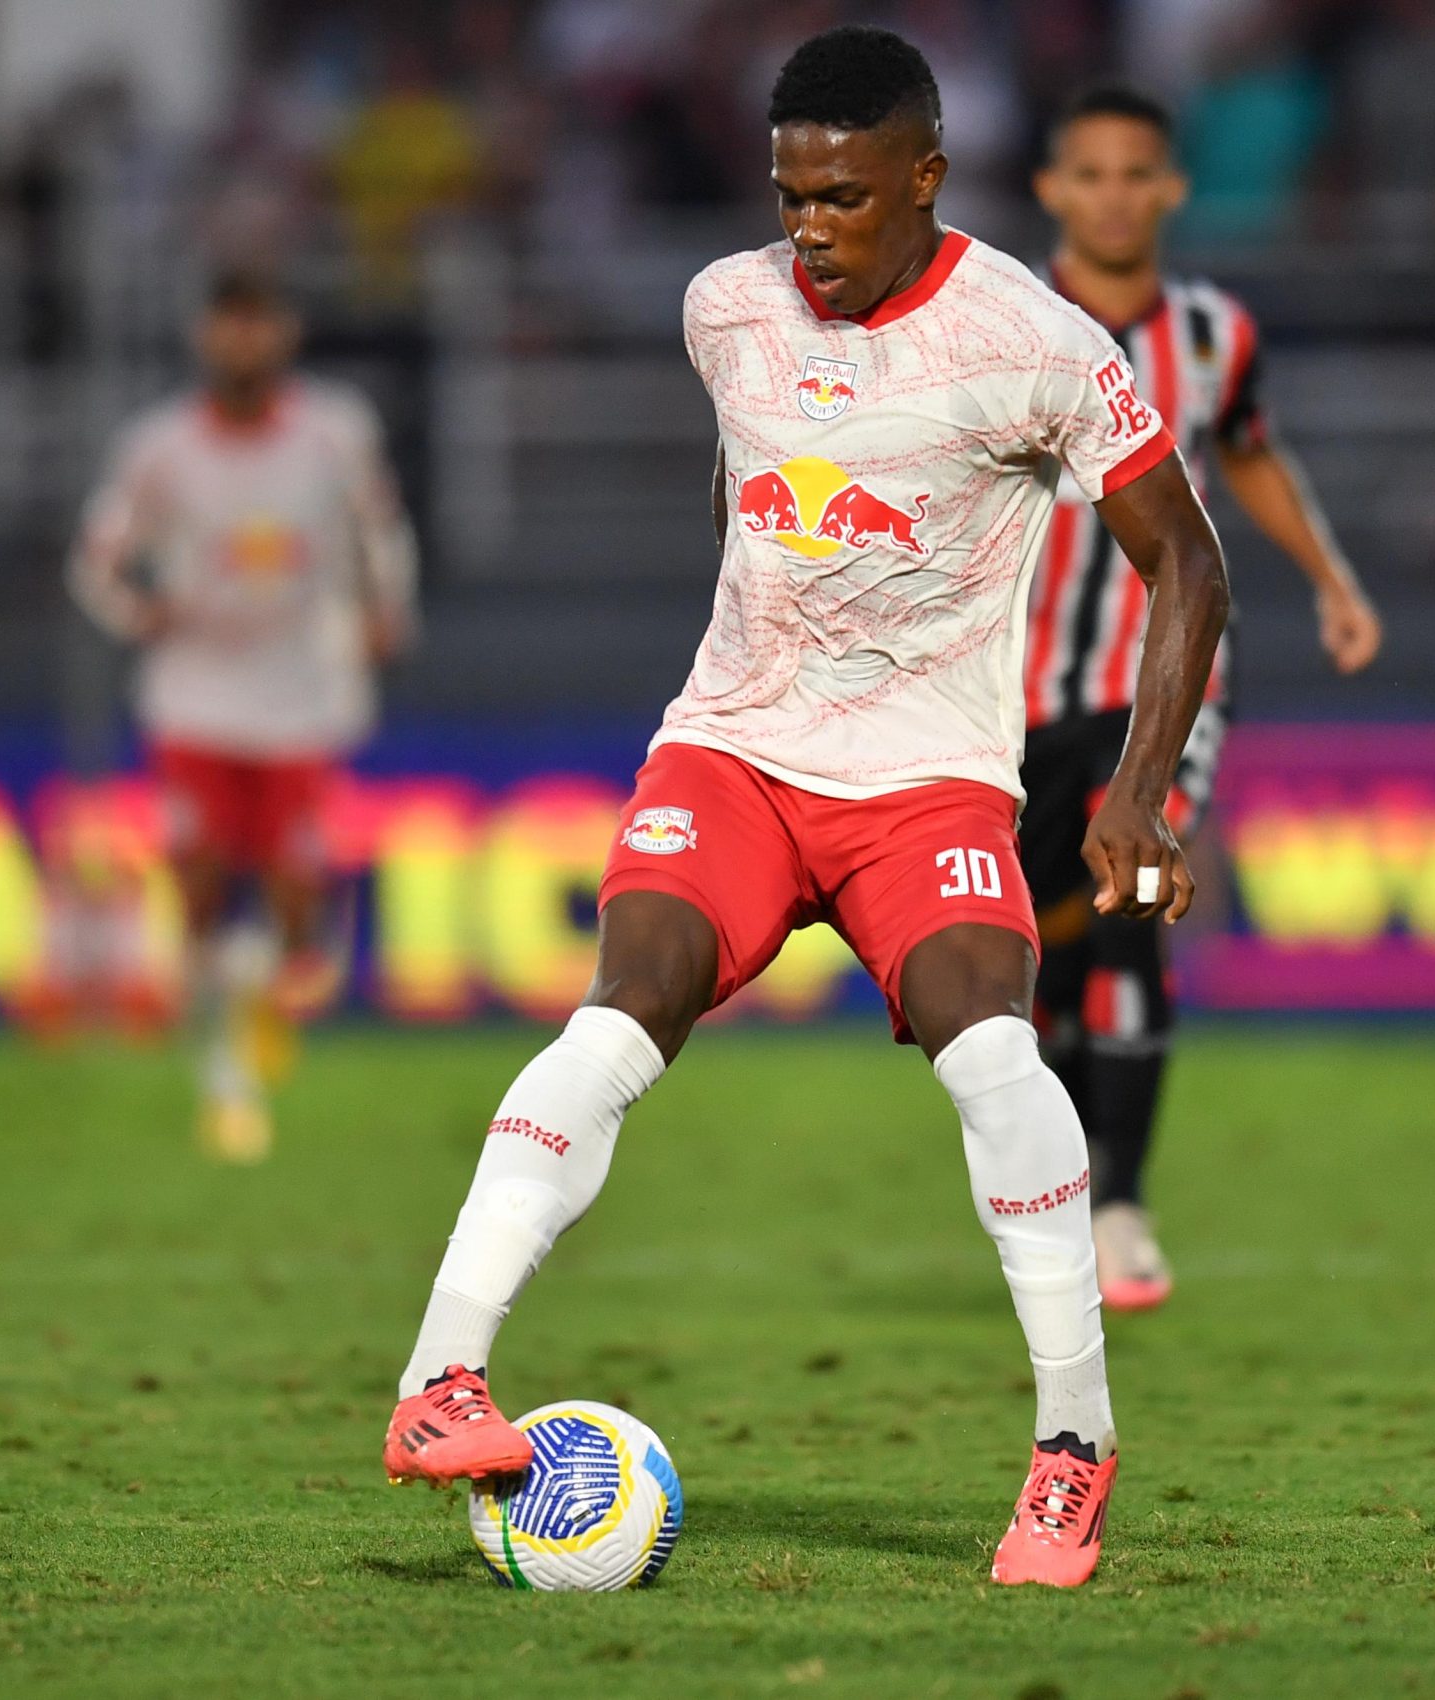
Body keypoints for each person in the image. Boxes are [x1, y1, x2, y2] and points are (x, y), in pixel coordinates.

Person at [379, 27, 1231, 1589]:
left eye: (843, 199)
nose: (809, 233)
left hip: (928, 783)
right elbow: (756, 479)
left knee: (993, 1050)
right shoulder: (724, 308)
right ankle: (438, 1381)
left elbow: (1190, 559)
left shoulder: (1032, 342)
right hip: (738, 753)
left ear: (925, 177)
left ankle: (1072, 1453)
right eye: (790, 198)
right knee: (622, 1013)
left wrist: (1136, 795)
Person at [1024, 85, 1381, 1312]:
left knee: (1128, 911)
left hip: (1162, 689)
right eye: (1092, 172)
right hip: (1004, 695)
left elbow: (1247, 450)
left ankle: (1116, 1202)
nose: (1116, 194)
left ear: (1170, 189)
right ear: (1051, 191)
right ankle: (1066, 1190)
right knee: (1040, 961)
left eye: (1138, 173)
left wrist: (1329, 576)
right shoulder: (999, 322)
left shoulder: (1214, 332)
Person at [69, 271, 417, 1163]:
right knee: (198, 869)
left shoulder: (334, 432)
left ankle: (272, 986)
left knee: (297, 891)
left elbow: (379, 529)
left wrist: (388, 609)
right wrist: (134, 612)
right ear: (204, 334)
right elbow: (100, 558)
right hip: (196, 692)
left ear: (286, 332)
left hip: (304, 692)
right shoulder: (160, 448)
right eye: (230, 325)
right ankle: (220, 1064)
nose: (243, 344)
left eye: (258, 324)